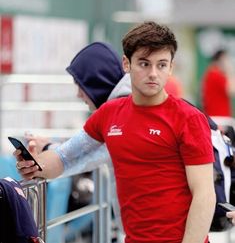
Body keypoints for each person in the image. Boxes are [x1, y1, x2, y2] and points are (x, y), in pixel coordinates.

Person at [14, 21, 216, 243]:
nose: (153, 74)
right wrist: (34, 164)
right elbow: (64, 157)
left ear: (171, 68)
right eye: (144, 63)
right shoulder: (109, 113)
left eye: (161, 65)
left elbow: (204, 194)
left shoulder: (189, 119)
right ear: (126, 64)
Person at [201, 49, 235, 117]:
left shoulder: (211, 72)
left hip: (215, 117)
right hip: (219, 118)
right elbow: (231, 91)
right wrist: (230, 71)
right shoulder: (216, 74)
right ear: (222, 59)